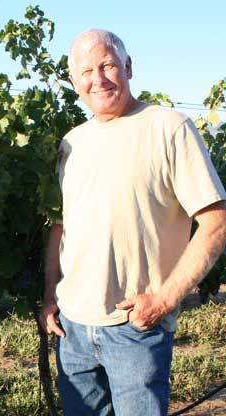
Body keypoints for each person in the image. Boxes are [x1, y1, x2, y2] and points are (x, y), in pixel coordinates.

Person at [39, 29, 226, 415]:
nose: (99, 79)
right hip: (72, 330)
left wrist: (165, 300)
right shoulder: (71, 143)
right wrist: (50, 298)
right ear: (74, 82)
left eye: (107, 65)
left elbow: (216, 222)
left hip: (135, 329)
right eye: (86, 71)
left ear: (128, 66)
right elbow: (62, 228)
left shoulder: (169, 128)